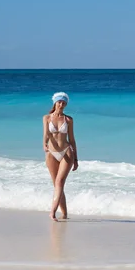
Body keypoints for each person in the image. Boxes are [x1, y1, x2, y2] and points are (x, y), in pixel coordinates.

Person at [43, 91, 78, 221]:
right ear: (55, 103)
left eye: (64, 103)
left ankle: (52, 212)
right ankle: (65, 214)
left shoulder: (68, 120)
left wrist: (76, 159)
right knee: (57, 185)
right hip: (51, 153)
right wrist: (44, 145)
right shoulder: (46, 118)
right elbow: (46, 134)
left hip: (66, 152)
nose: (61, 104)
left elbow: (72, 139)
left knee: (59, 182)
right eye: (59, 102)